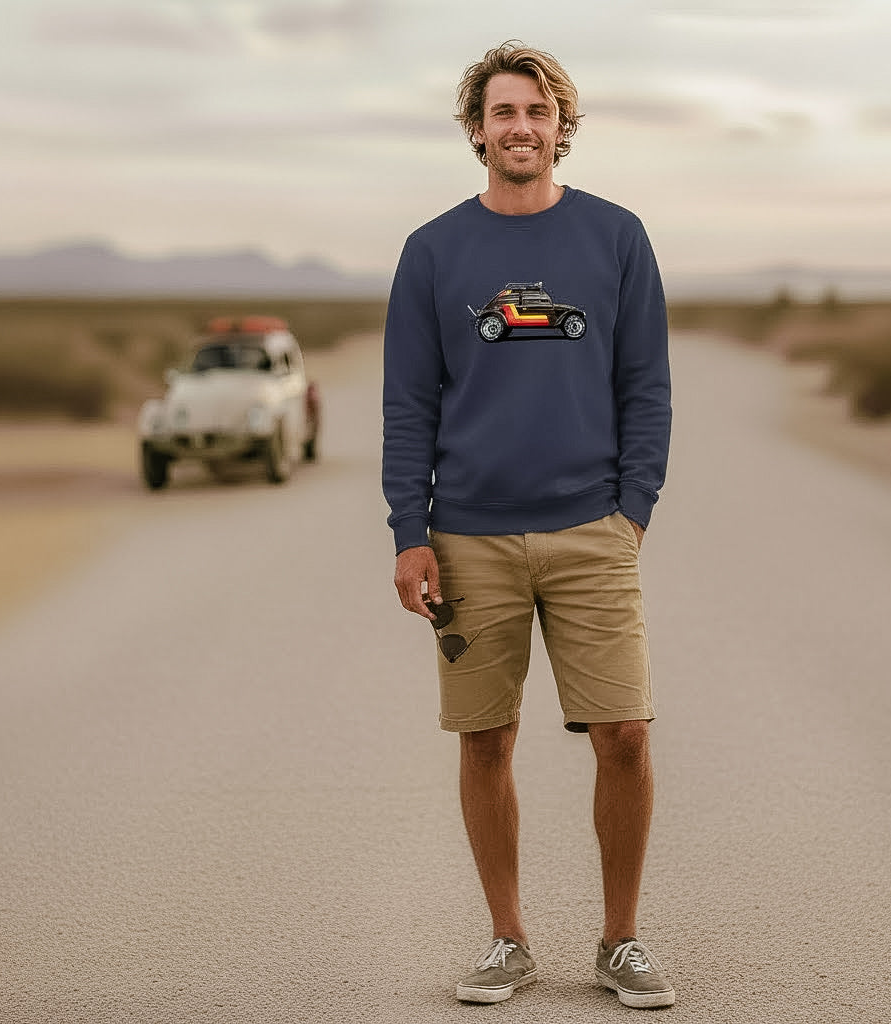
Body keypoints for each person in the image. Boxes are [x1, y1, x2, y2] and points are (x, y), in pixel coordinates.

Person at [382, 40, 674, 1009]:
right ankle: (507, 938)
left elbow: (646, 388)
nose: (521, 128)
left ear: (560, 127)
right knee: (483, 740)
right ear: (476, 129)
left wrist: (631, 511)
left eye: (536, 112)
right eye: (502, 112)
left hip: (593, 529)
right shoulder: (432, 251)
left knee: (625, 732)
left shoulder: (617, 237)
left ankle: (619, 940)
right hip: (467, 536)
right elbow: (407, 404)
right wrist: (407, 530)